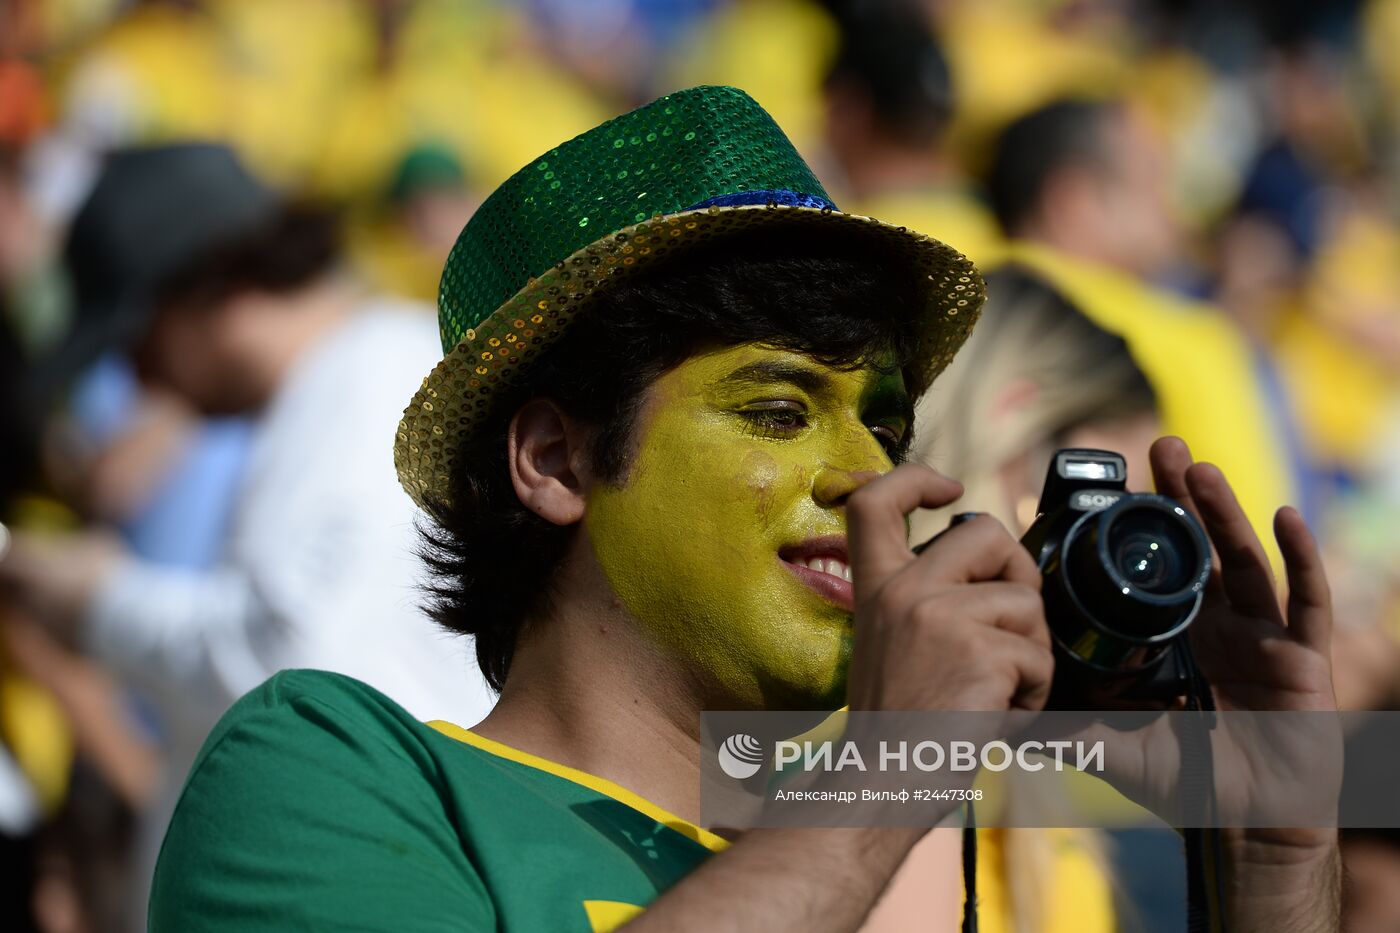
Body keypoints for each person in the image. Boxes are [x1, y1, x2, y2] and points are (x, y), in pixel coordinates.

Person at [147, 87, 1339, 932]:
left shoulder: (895, 850)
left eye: (885, 425)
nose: (867, 480)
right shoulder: (327, 771)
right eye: (775, 412)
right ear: (555, 460)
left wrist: (1271, 861)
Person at [0, 143, 495, 923]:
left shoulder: (371, 386)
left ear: (212, 284)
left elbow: (301, 674)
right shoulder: (351, 383)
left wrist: (97, 599)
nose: (135, 374)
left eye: (137, 335)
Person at [985, 98, 1297, 573]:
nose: (1177, 211)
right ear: (1075, 202)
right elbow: (1256, 555)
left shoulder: (953, 298)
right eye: (1154, 181)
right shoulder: (1192, 337)